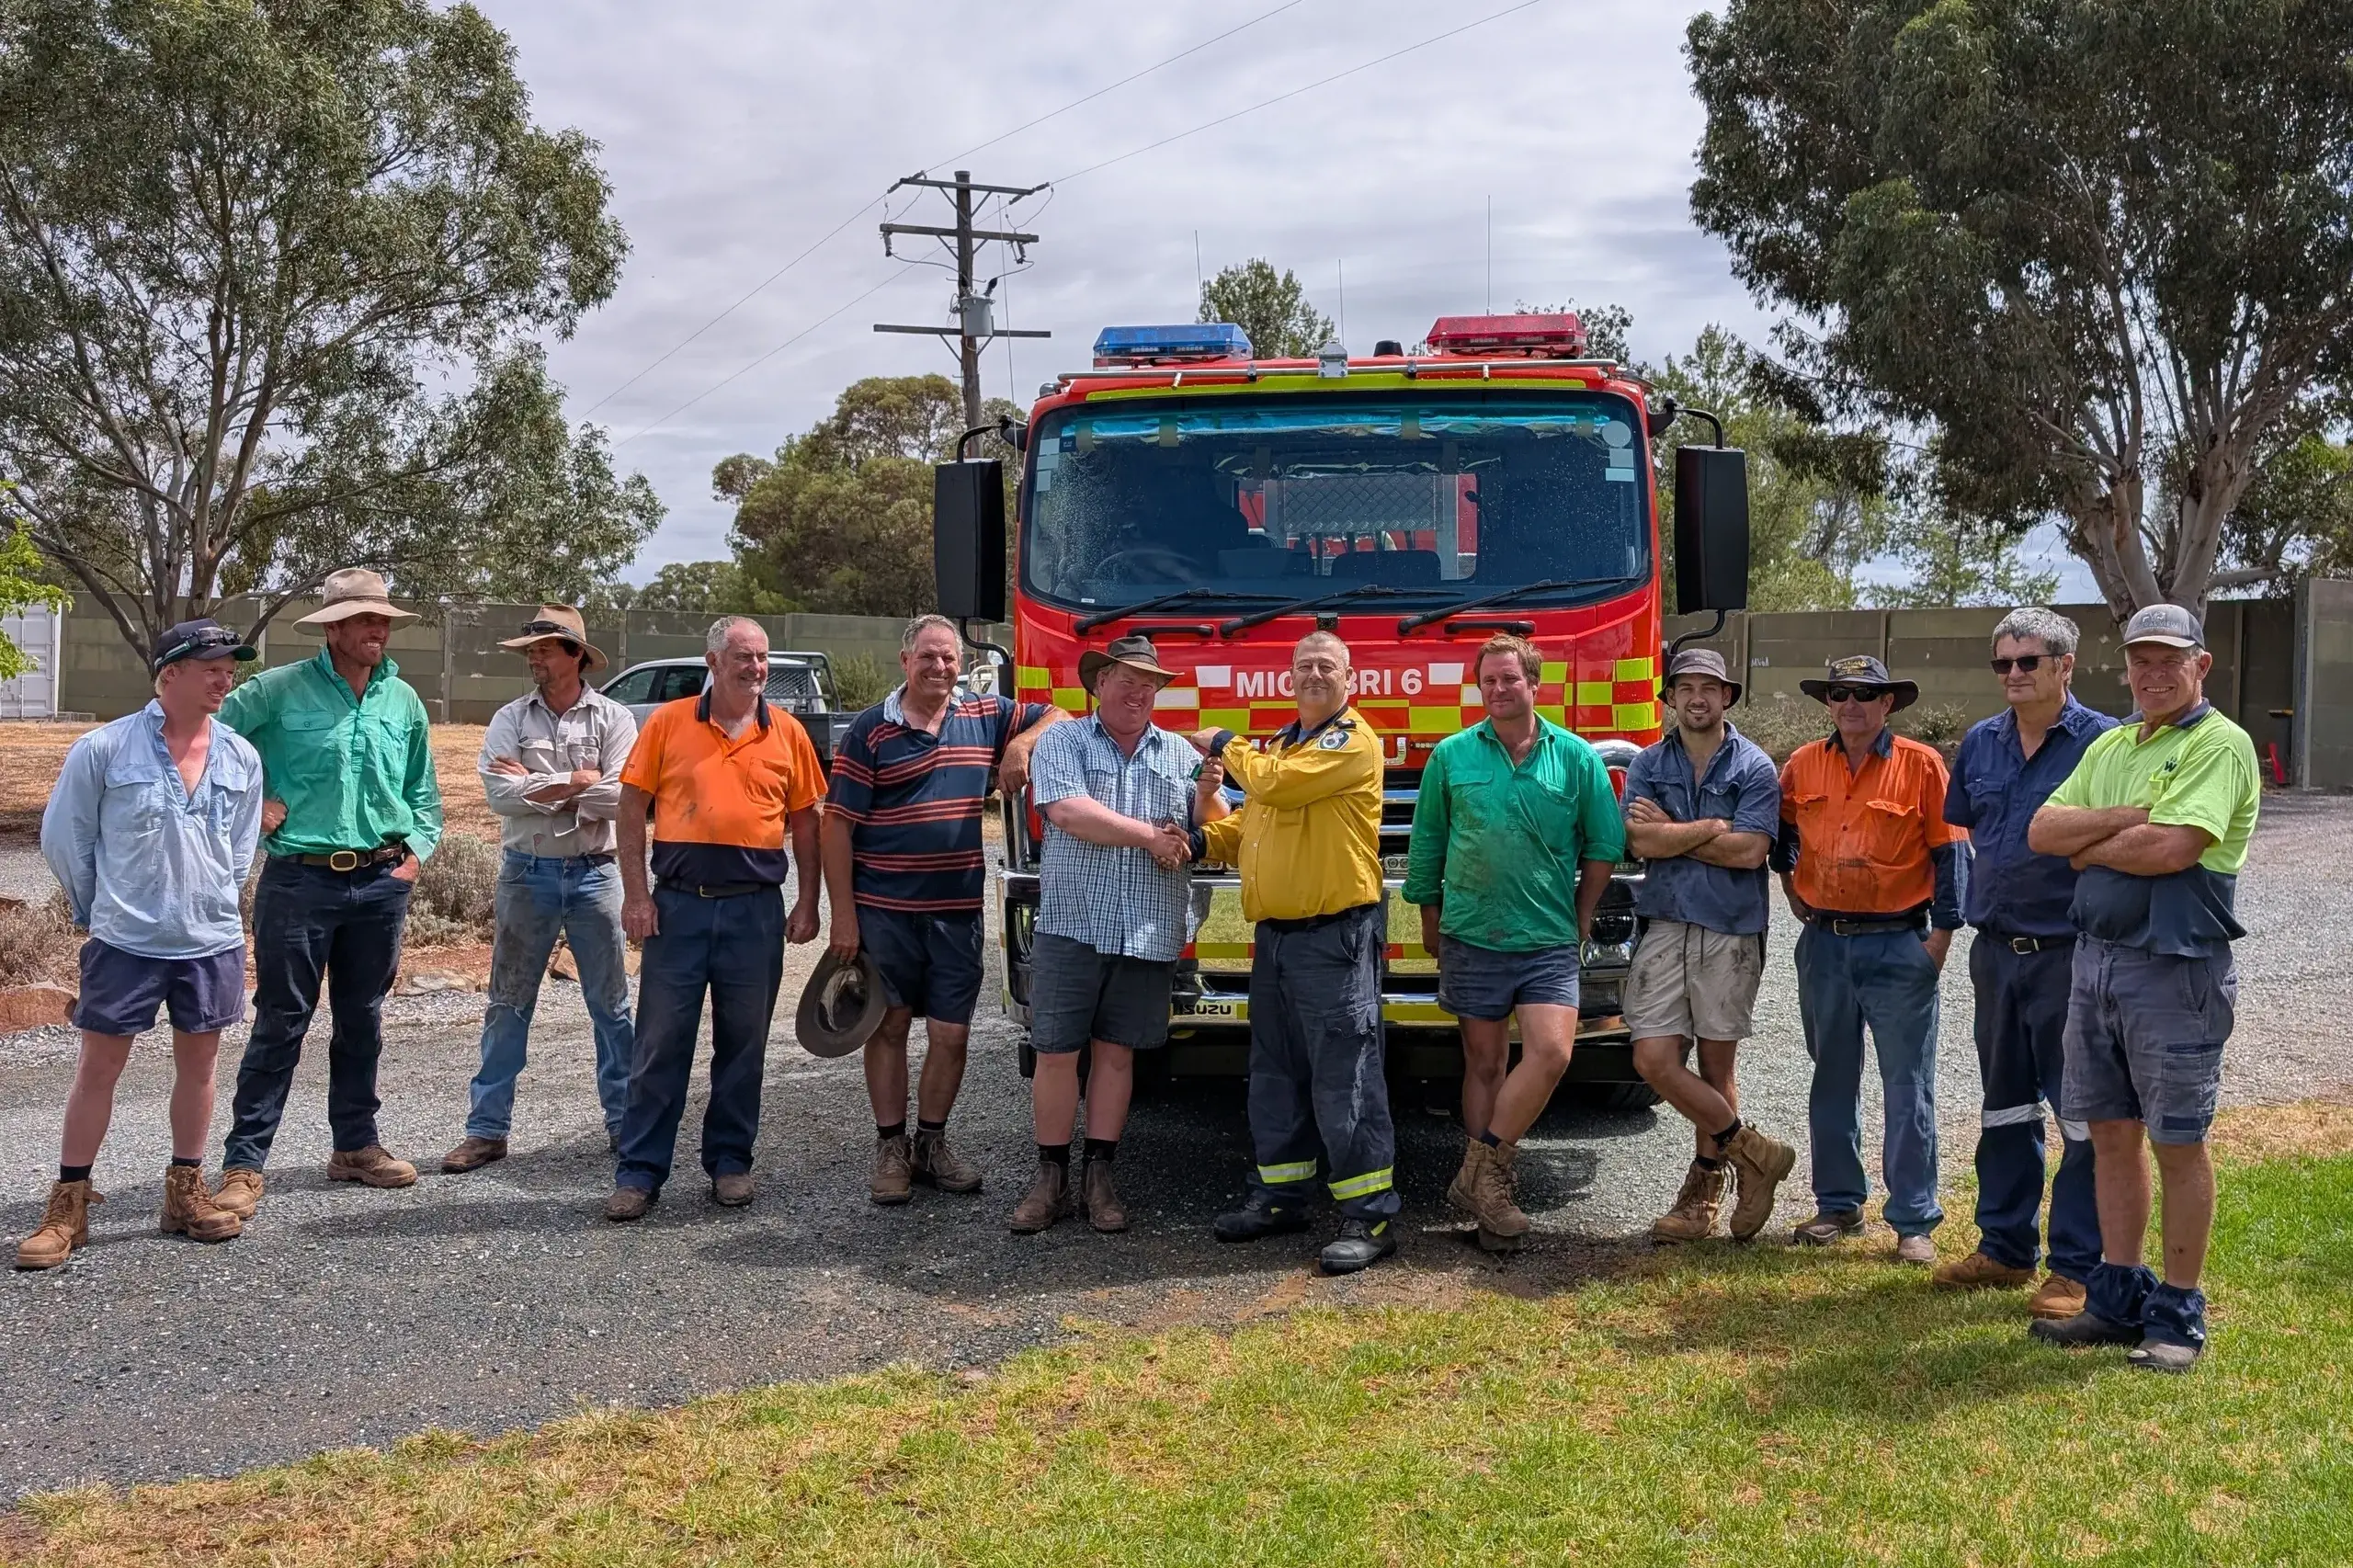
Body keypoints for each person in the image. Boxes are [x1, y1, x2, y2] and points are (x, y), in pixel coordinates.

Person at [2027, 604, 2261, 1373]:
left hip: (2174, 966)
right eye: (2141, 661)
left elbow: (2174, 849)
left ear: (2202, 665)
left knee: (2178, 1140)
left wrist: (2096, 841)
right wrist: (2127, 817)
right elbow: (2043, 834)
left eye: (2170, 660)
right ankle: (2118, 1294)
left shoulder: (2221, 745)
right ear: (2124, 668)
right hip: (2096, 964)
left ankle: (2180, 1311)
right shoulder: (2112, 743)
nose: (2154, 674)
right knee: (2110, 1132)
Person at [18, 621, 264, 1268]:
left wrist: (212, 900)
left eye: (229, 666)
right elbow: (65, 839)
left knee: (202, 1067)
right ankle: (68, 1204)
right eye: (211, 664)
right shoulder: (104, 749)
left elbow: (239, 849)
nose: (224, 676)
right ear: (169, 674)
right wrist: (101, 909)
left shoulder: (241, 756)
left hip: (209, 941)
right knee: (99, 1069)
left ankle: (185, 1190)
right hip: (125, 940)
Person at [212, 569, 443, 1218]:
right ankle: (243, 1164)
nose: (380, 629)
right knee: (282, 1021)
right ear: (334, 628)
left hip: (379, 883)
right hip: (300, 880)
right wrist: (252, 803)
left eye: (384, 620)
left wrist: (416, 853)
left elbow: (423, 791)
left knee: (362, 1018)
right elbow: (205, 742)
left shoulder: (404, 701)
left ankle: (355, 1146)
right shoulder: (276, 692)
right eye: (366, 620)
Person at [823, 614, 1060, 1207]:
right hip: (884, 911)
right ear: (905, 662)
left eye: (949, 657)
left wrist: (1022, 744)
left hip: (956, 912)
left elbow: (1059, 713)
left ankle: (932, 1144)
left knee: (952, 1035)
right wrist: (843, 918)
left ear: (962, 663)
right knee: (890, 1026)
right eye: (927, 657)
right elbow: (836, 827)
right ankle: (891, 1148)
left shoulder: (984, 713)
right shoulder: (870, 731)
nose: (940, 667)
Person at [1402, 633, 1625, 1252]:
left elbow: (1604, 844)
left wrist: (1582, 914)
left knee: (1552, 1053)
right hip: (1472, 932)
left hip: (1549, 935)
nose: (1499, 690)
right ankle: (1492, 1202)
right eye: (1489, 681)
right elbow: (1428, 844)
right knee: (1485, 1064)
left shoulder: (1575, 758)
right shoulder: (1451, 757)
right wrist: (1429, 916)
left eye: (1510, 679)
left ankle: (1483, 1173)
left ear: (1535, 685)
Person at [1188, 631, 1396, 1275]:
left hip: (1333, 936)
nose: (1312, 674)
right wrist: (1194, 841)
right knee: (1275, 1072)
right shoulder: (1282, 746)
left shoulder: (1350, 741)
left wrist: (1225, 742)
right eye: (1303, 665)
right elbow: (1248, 827)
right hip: (1276, 939)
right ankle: (1280, 1196)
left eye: (1325, 666)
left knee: (1346, 1077)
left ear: (1348, 677)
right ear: (1289, 675)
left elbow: (1273, 788)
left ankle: (1372, 1216)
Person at [604, 616, 823, 1220]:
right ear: (713, 661)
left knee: (744, 1045)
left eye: (762, 658)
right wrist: (635, 895)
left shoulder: (789, 733)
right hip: (677, 908)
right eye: (742, 658)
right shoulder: (669, 723)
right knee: (659, 1045)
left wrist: (808, 899)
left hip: (754, 912)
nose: (755, 669)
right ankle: (640, 1172)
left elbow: (806, 821)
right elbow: (630, 808)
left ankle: (730, 1164)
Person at [1008, 635, 1227, 1234]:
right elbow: (1067, 811)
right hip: (1072, 924)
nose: (1137, 691)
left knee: (1116, 1056)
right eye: (1125, 679)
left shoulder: (1181, 755)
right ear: (1097, 684)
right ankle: (1049, 1179)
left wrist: (1207, 797)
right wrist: (1150, 837)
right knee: (1055, 1053)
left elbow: (1214, 827)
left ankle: (1099, 1176)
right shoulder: (1063, 741)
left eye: (1149, 682)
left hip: (1147, 928)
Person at [1934, 608, 2116, 1318]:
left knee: (2082, 1115)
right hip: (1996, 953)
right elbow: (1973, 832)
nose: (2012, 674)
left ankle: (2077, 1265)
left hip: (2071, 955)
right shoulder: (1981, 743)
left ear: (2065, 666)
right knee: (2005, 1106)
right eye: (2002, 664)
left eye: (2027, 662)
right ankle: (2005, 1248)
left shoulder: (2105, 744)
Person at [1771, 653, 1967, 1264]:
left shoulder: (1921, 765)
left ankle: (1913, 1220)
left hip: (1899, 943)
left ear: (1888, 705)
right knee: (1830, 1076)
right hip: (1825, 946)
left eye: (1864, 695)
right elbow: (1781, 838)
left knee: (1907, 1086)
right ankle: (1837, 1205)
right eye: (1839, 694)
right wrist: (1794, 891)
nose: (1850, 705)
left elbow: (1953, 856)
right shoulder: (1803, 764)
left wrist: (1939, 940)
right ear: (1828, 703)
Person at [441, 606, 639, 1175]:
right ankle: (487, 1130)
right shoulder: (509, 717)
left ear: (576, 654)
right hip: (526, 871)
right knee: (508, 1002)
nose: (533, 657)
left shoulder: (614, 718)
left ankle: (626, 1123)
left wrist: (540, 784)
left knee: (611, 1004)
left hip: (596, 872)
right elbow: (498, 796)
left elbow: (624, 797)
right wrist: (579, 782)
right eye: (530, 650)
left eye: (545, 648)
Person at [1620, 648, 1796, 1244]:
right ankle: (1755, 1153)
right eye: (1686, 687)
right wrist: (1711, 828)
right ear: (1670, 697)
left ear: (1727, 697)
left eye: (1710, 687)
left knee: (1718, 1068)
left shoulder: (1754, 768)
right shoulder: (1647, 762)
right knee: (1652, 1059)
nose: (1697, 697)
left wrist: (1674, 831)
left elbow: (1750, 852)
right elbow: (1638, 841)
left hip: (1731, 928)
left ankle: (1702, 1196)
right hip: (1666, 923)